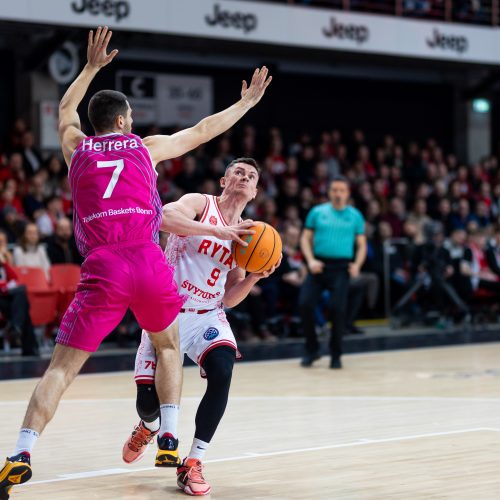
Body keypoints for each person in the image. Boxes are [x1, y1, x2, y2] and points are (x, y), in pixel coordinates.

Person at [0, 27, 271, 499]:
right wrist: (246, 104)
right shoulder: (144, 148)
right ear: (125, 121)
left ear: (94, 122)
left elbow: (66, 112)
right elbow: (202, 130)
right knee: (167, 346)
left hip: (102, 266)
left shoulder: (75, 149)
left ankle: (20, 455)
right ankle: (168, 433)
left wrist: (88, 68)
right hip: (147, 261)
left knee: (61, 369)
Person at [123, 158, 280, 496]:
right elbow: (163, 217)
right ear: (224, 180)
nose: (244, 177)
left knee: (223, 370)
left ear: (254, 192)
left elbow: (230, 296)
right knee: (147, 403)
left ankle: (193, 462)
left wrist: (253, 276)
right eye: (238, 172)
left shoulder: (249, 236)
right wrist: (217, 231)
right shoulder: (200, 203)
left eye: (251, 176)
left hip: (207, 315)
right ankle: (149, 425)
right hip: (166, 313)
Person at [299, 176, 367, 369]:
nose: (338, 194)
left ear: (347, 193)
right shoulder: (317, 212)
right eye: (334, 190)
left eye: (342, 190)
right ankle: (311, 350)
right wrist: (310, 260)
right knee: (305, 304)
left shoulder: (355, 216)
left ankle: (336, 354)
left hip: (341, 268)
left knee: (337, 310)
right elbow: (305, 239)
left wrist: (357, 265)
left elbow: (361, 245)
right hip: (319, 265)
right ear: (329, 193)